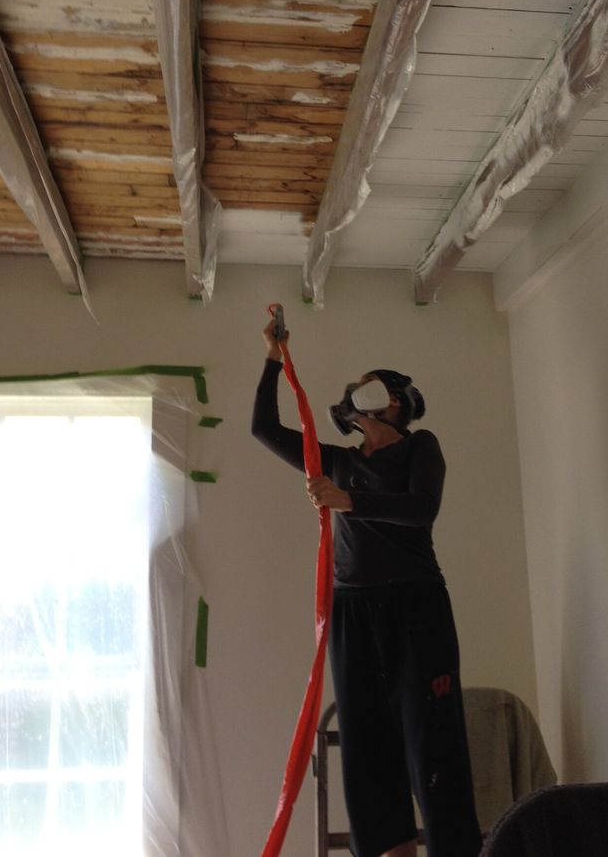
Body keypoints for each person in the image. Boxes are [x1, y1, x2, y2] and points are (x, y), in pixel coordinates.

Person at [252, 315, 483, 857]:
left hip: (415, 606)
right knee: (366, 745)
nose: (360, 390)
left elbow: (422, 509)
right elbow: (264, 428)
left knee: (432, 742)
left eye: (372, 383)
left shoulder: (420, 446)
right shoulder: (339, 461)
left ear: (396, 402)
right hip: (352, 614)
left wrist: (348, 500)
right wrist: (272, 358)